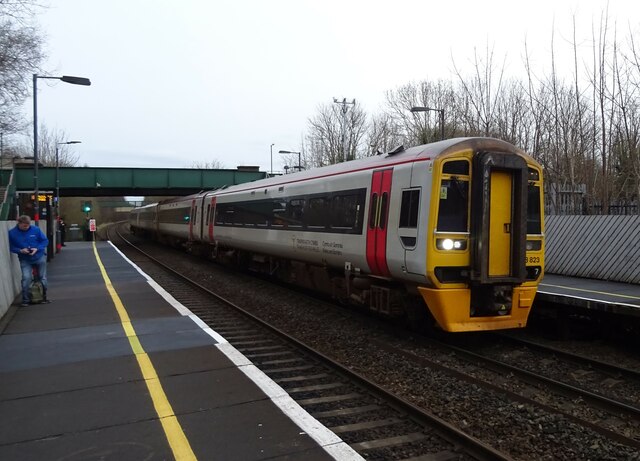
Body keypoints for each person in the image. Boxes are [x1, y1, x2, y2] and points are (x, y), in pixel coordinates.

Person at [8, 215, 50, 306]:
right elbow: (11, 247)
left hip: (39, 256)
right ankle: (25, 300)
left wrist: (37, 248)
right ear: (19, 224)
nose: (26, 228)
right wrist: (20, 250)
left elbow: (44, 241)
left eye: (27, 226)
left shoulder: (36, 230)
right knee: (26, 278)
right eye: (24, 226)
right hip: (25, 258)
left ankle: (43, 297)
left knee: (42, 277)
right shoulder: (12, 233)